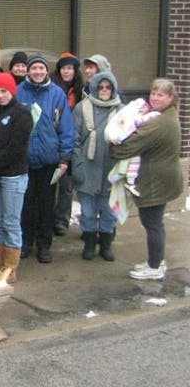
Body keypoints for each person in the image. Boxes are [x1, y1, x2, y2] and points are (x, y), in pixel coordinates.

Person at [111, 79, 183, 281]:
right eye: (153, 93)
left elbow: (129, 146)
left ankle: (155, 266)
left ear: (171, 98)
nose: (155, 98)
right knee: (155, 223)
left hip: (156, 181)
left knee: (152, 223)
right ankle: (156, 261)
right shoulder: (166, 115)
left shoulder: (160, 123)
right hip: (164, 178)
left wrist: (113, 145)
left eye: (160, 95)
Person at [15, 54, 75, 264]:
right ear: (28, 71)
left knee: (46, 205)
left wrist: (64, 157)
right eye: (34, 68)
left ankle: (44, 245)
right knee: (26, 204)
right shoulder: (19, 92)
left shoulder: (57, 93)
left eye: (41, 68)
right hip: (24, 160)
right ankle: (26, 242)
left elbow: (66, 128)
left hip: (49, 160)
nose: (38, 72)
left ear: (46, 70)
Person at [0, 73, 33, 283]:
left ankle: (10, 268)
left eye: (4, 91)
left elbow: (16, 147)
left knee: (11, 222)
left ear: (12, 91)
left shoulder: (22, 113)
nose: (0, 95)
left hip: (13, 175)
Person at [72, 72, 123, 261]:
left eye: (108, 87)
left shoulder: (122, 110)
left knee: (109, 211)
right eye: (100, 87)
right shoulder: (81, 108)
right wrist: (77, 163)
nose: (104, 90)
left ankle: (106, 244)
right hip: (87, 167)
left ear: (113, 89)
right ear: (94, 88)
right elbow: (74, 138)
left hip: (112, 168)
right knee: (88, 211)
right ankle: (90, 243)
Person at [50, 52, 85, 237]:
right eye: (64, 68)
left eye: (70, 68)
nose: (66, 71)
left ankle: (61, 221)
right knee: (50, 184)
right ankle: (48, 218)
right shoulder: (53, 89)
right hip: (53, 141)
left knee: (66, 186)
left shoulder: (80, 91)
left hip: (72, 143)